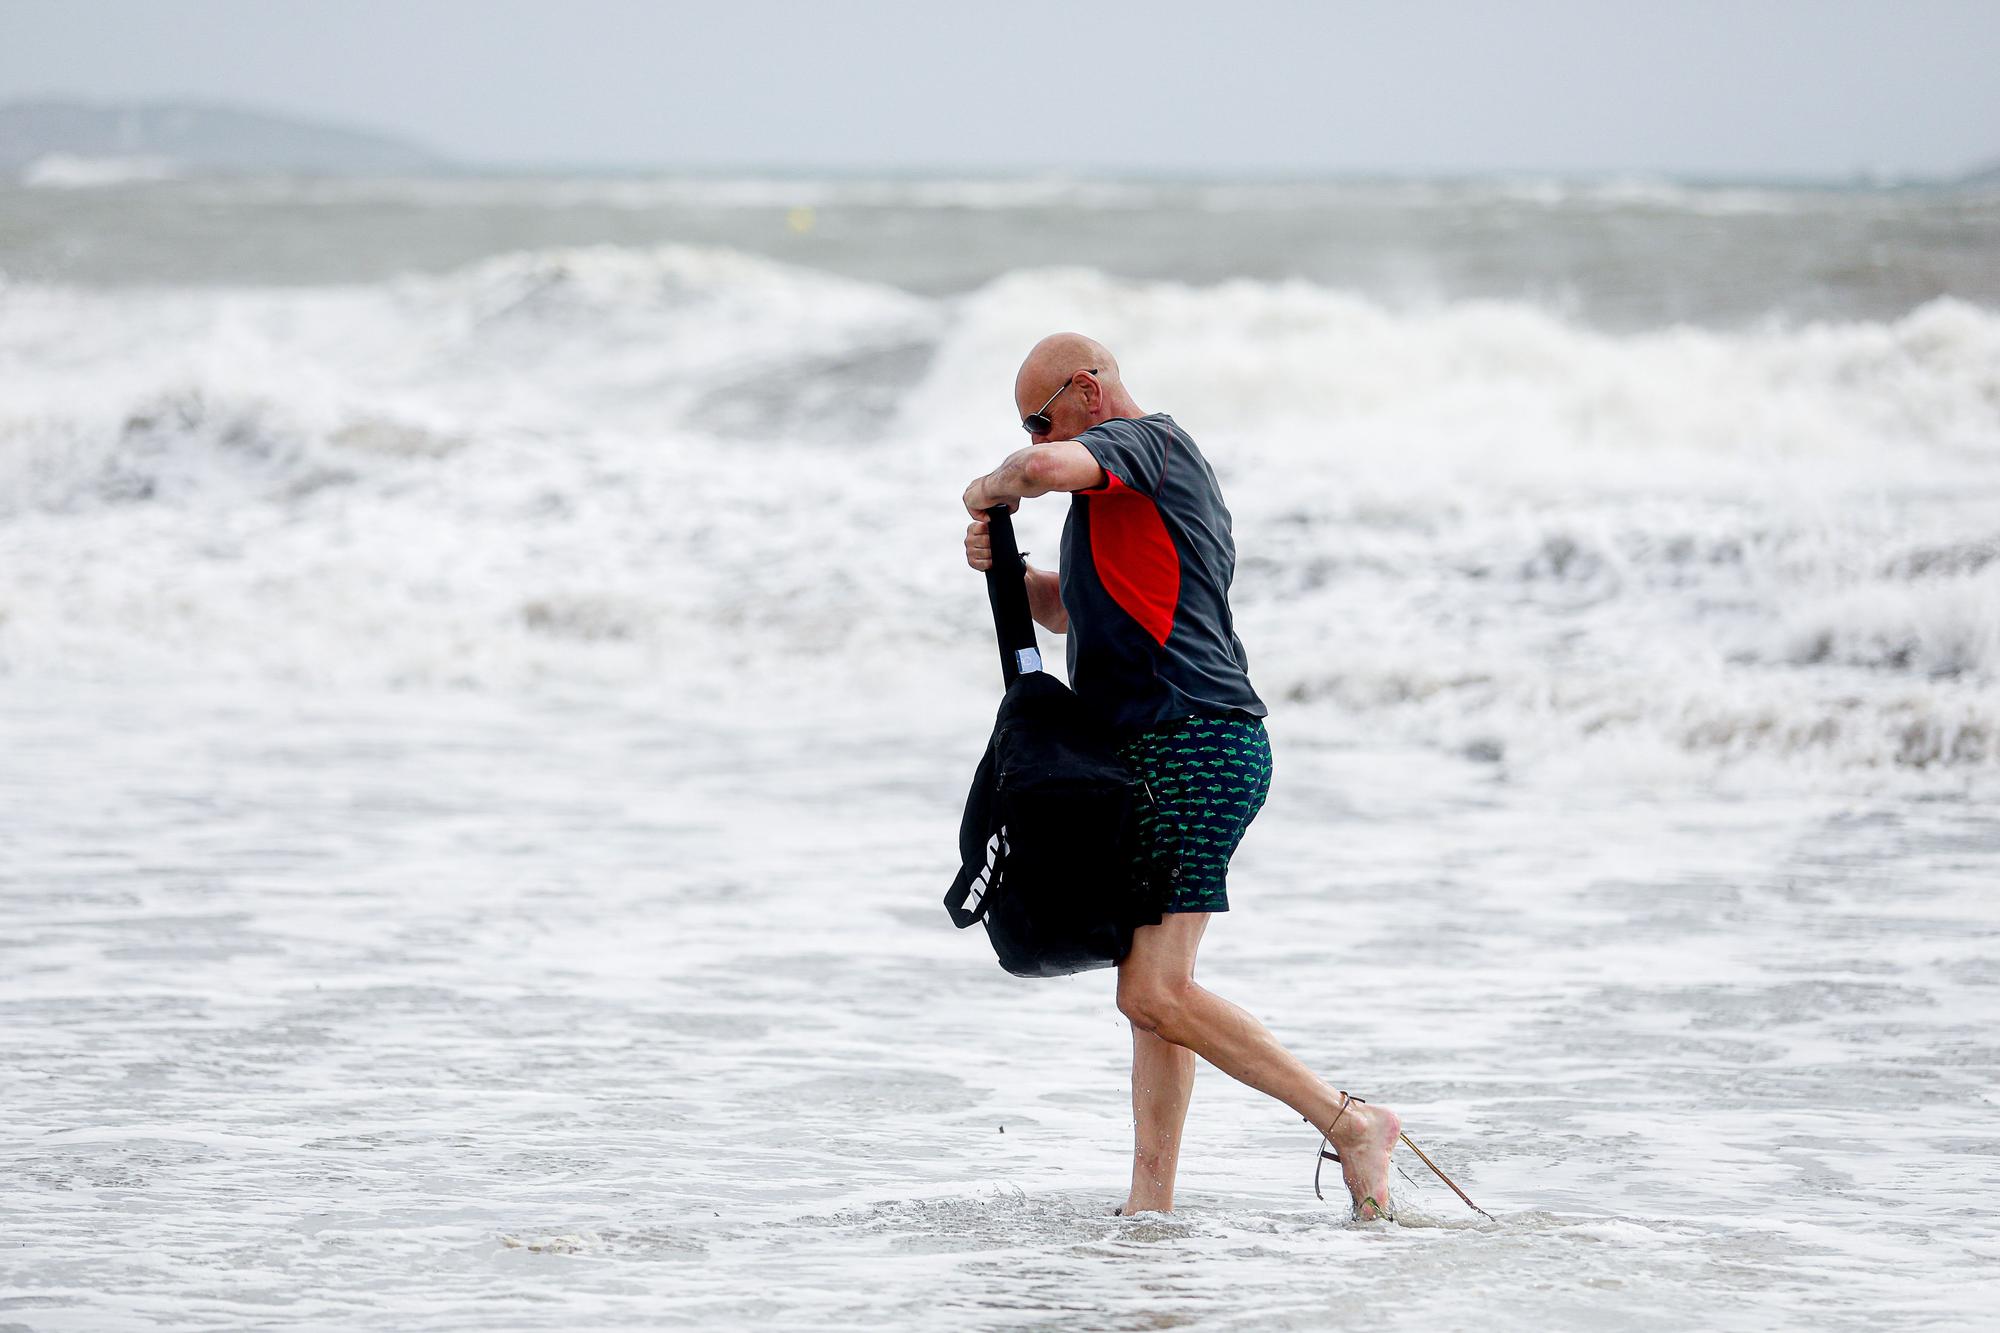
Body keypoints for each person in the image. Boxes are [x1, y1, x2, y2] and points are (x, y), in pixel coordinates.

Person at [960, 332, 1400, 1220]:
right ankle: (1149, 1204)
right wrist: (1013, 571)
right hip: (1154, 750)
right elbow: (1067, 609)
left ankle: (1352, 1122)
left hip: (1196, 743)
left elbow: (1041, 471)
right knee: (1155, 993)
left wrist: (998, 482)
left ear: (1088, 390)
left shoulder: (1148, 444)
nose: (1035, 436)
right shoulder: (1115, 506)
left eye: (1040, 418)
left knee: (1153, 988)